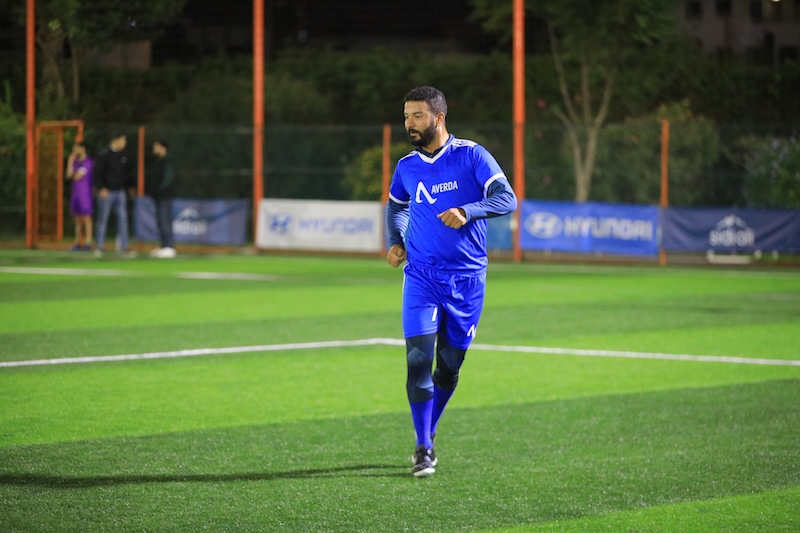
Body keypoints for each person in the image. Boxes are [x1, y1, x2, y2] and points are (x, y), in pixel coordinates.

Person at [385, 86, 518, 477]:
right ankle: (423, 446)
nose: (409, 123)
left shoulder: (472, 155)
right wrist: (396, 240)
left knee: (448, 368)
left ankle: (430, 429)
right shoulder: (406, 166)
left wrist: (467, 210)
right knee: (418, 362)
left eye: (417, 116)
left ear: (439, 118)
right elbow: (397, 206)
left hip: (466, 281)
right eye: (406, 116)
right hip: (421, 278)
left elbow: (506, 198)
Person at [92, 132, 136, 257]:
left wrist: (130, 187)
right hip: (107, 192)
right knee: (103, 220)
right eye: (123, 140)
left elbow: (127, 173)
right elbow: (97, 173)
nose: (124, 143)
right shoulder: (104, 155)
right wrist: (101, 188)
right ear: (116, 140)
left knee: (123, 220)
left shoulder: (123, 156)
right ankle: (99, 246)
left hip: (120, 192)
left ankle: (124, 246)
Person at [147, 140, 177, 258]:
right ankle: (164, 245)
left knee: (165, 221)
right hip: (159, 197)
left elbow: (167, 180)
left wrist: (159, 191)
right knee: (160, 221)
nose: (154, 149)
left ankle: (169, 246)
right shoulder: (158, 161)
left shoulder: (168, 161)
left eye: (156, 146)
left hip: (165, 196)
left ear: (163, 148)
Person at [65, 141, 94, 251]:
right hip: (75, 193)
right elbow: (69, 175)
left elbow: (77, 176)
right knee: (77, 218)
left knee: (86, 217)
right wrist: (70, 162)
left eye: (76, 148)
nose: (74, 151)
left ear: (83, 149)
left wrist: (73, 172)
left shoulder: (88, 162)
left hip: (85, 193)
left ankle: (88, 241)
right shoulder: (75, 162)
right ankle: (77, 241)